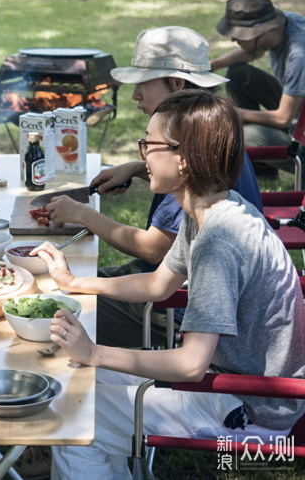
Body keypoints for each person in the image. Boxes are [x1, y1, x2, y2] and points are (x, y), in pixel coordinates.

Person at [35, 90, 305, 480]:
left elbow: (190, 364)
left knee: (75, 415)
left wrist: (95, 352)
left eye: (148, 143)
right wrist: (75, 282)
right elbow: (160, 285)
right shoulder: (211, 206)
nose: (141, 154)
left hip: (251, 405)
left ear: (184, 159)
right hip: (235, 384)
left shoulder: (218, 240)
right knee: (76, 380)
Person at [45, 26, 262, 348]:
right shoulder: (207, 139)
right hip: (167, 282)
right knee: (61, 285)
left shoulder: (196, 176)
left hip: (176, 312)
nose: (135, 96)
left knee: (50, 311)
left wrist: (82, 213)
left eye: (142, 84)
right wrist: (137, 169)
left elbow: (153, 248)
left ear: (176, 83)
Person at [210, 0, 305, 174]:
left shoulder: (299, 55)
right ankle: (262, 169)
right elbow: (256, 50)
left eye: (238, 34)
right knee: (238, 74)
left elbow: (283, 118)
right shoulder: (282, 25)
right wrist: (213, 64)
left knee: (243, 135)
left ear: (258, 32)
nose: (233, 38)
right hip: (299, 113)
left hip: (298, 126)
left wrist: (233, 113)